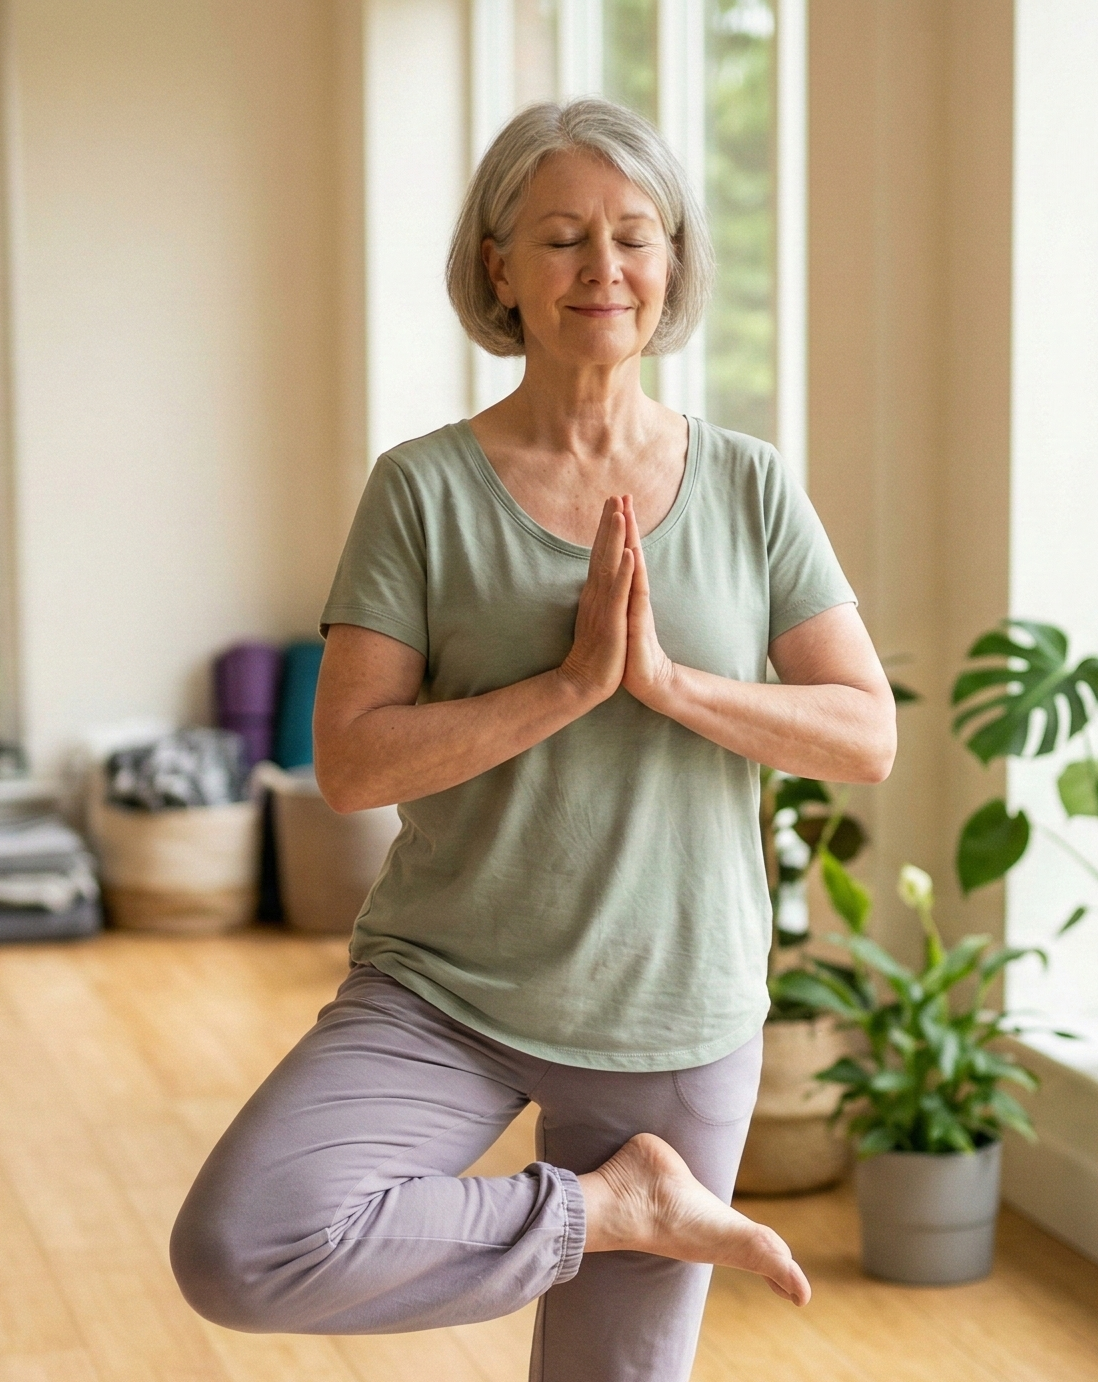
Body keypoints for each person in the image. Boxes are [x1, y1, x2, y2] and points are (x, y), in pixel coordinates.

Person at [169, 96, 896, 1382]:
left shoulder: (747, 484)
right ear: (497, 264)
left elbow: (861, 731)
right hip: (447, 990)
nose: (601, 269)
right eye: (560, 237)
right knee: (242, 1241)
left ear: (671, 260)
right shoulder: (422, 488)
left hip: (672, 1006)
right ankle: (617, 1205)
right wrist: (564, 686)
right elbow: (351, 762)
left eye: (633, 235)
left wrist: (668, 683)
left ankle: (630, 1199)